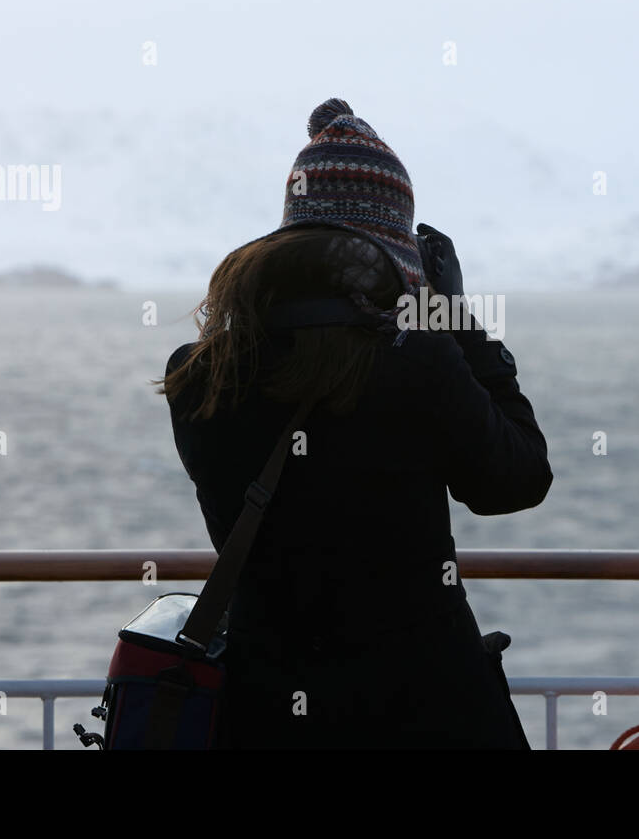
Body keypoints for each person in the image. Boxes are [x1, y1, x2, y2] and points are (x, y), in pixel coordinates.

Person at [159, 98, 552, 748]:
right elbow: (517, 481)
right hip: (427, 710)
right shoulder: (415, 359)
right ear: (392, 249)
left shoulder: (199, 373)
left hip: (267, 713)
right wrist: (455, 320)